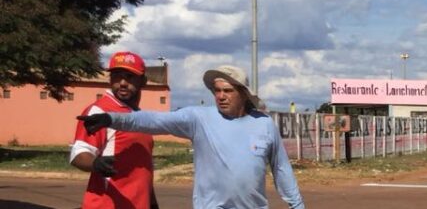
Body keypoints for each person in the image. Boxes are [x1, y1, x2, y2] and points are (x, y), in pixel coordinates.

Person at [77, 65, 305, 209]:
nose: (221, 96)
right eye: (217, 91)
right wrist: (112, 119)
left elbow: (282, 169)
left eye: (228, 91)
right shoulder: (198, 118)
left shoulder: (264, 124)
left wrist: (297, 205)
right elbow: (154, 121)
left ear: (244, 94)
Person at [69, 51, 158, 209]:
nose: (122, 83)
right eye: (116, 76)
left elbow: (145, 169)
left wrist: (152, 203)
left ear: (143, 81)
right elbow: (78, 154)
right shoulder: (99, 112)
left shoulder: (139, 117)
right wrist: (95, 163)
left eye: (129, 77)